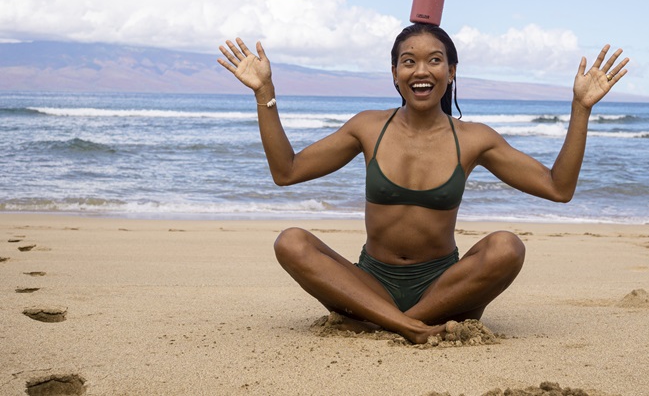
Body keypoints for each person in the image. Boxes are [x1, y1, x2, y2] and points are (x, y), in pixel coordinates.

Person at [217, 23, 628, 344]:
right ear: (394, 73)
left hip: (444, 289)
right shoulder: (366, 127)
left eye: (434, 60)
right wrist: (264, 92)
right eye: (408, 61)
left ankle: (394, 323)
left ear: (451, 72)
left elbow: (559, 188)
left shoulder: (474, 139)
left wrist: (581, 108)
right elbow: (286, 171)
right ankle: (407, 325)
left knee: (507, 246)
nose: (421, 70)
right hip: (370, 283)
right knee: (291, 241)